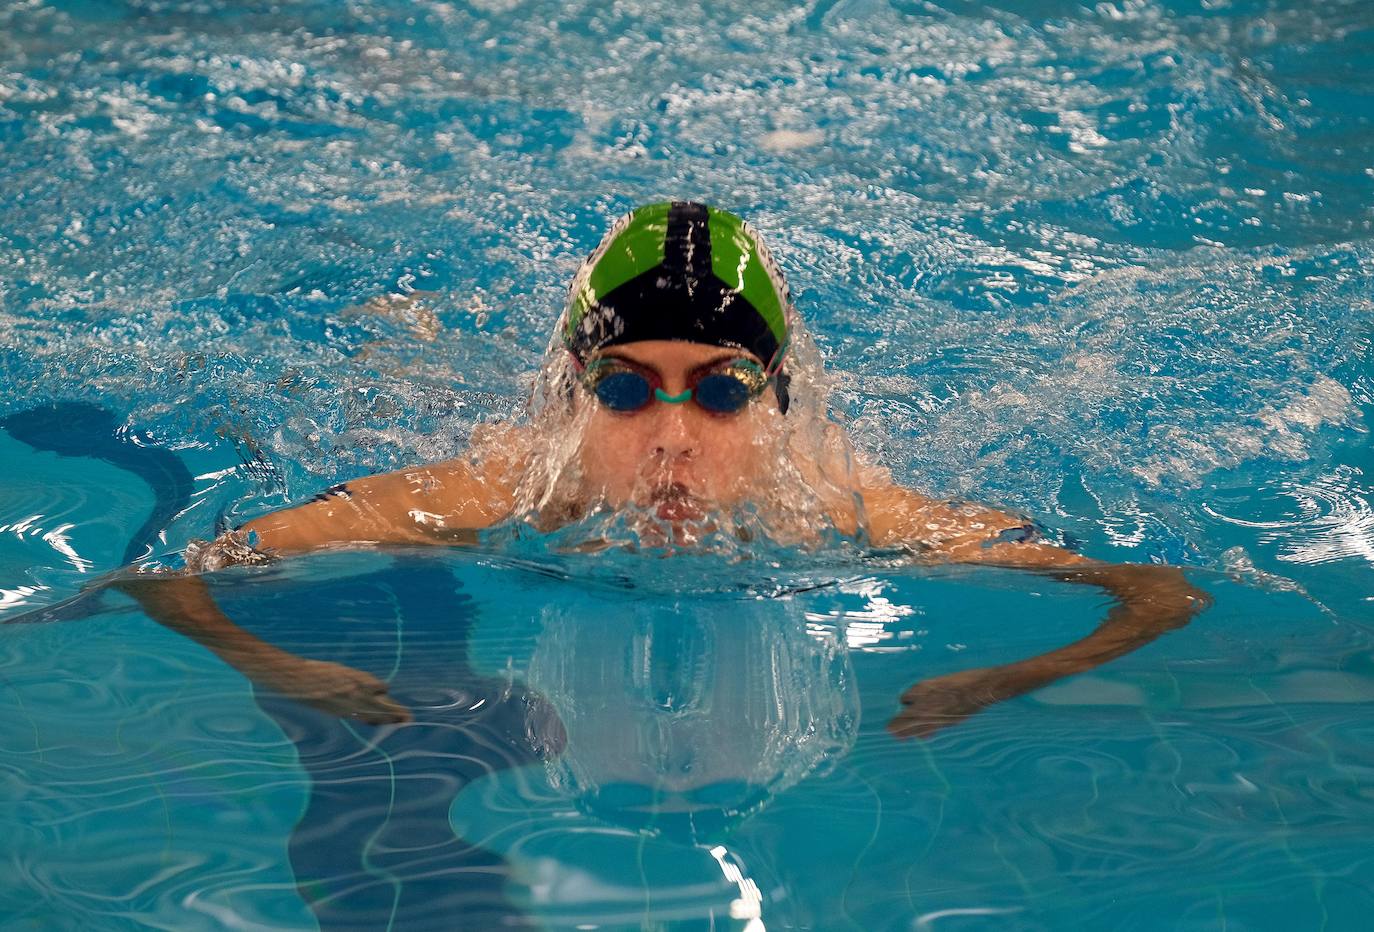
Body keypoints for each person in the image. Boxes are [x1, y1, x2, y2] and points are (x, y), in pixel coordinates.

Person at [115, 200, 1210, 738]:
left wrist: (1000, 679)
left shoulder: (847, 506)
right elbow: (176, 570)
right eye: (627, 389)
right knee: (381, 371)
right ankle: (399, 330)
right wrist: (281, 666)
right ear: (574, 395)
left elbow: (1157, 591)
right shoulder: (492, 495)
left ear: (778, 403)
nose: (675, 437)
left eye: (725, 390)